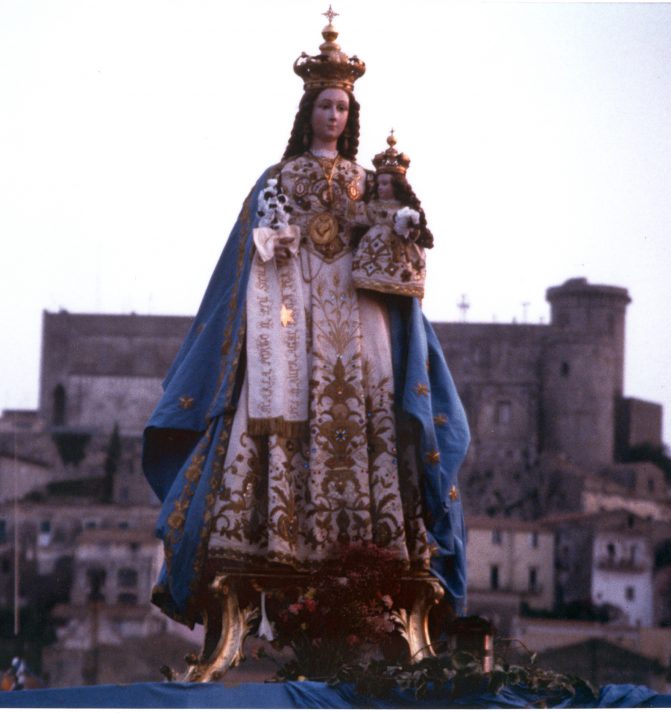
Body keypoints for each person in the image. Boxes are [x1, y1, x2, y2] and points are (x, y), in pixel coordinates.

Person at [142, 14, 469, 629]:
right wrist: (276, 237)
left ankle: (375, 553)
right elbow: (253, 250)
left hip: (360, 324)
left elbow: (396, 234)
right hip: (290, 327)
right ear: (308, 111)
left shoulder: (368, 180)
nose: (335, 117)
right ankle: (276, 539)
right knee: (280, 415)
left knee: (371, 417)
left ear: (352, 115)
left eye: (343, 108)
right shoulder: (277, 179)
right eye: (325, 106)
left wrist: (397, 223)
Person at [351, 132, 434, 298]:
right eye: (379, 184)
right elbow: (361, 217)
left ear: (397, 185)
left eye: (385, 184)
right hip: (372, 256)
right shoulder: (373, 205)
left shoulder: (405, 209)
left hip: (398, 254)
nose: (380, 188)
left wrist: (408, 227)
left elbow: (415, 232)